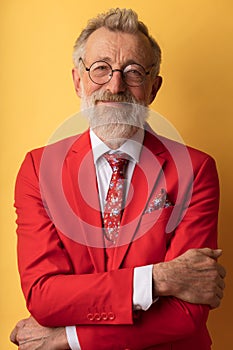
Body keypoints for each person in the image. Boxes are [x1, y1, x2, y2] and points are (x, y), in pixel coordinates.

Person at [10, 8, 226, 350]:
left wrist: (70, 337)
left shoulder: (196, 169)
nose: (115, 85)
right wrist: (158, 279)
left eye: (133, 72)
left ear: (153, 88)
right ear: (78, 80)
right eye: (101, 69)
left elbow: (187, 311)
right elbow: (44, 296)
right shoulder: (39, 168)